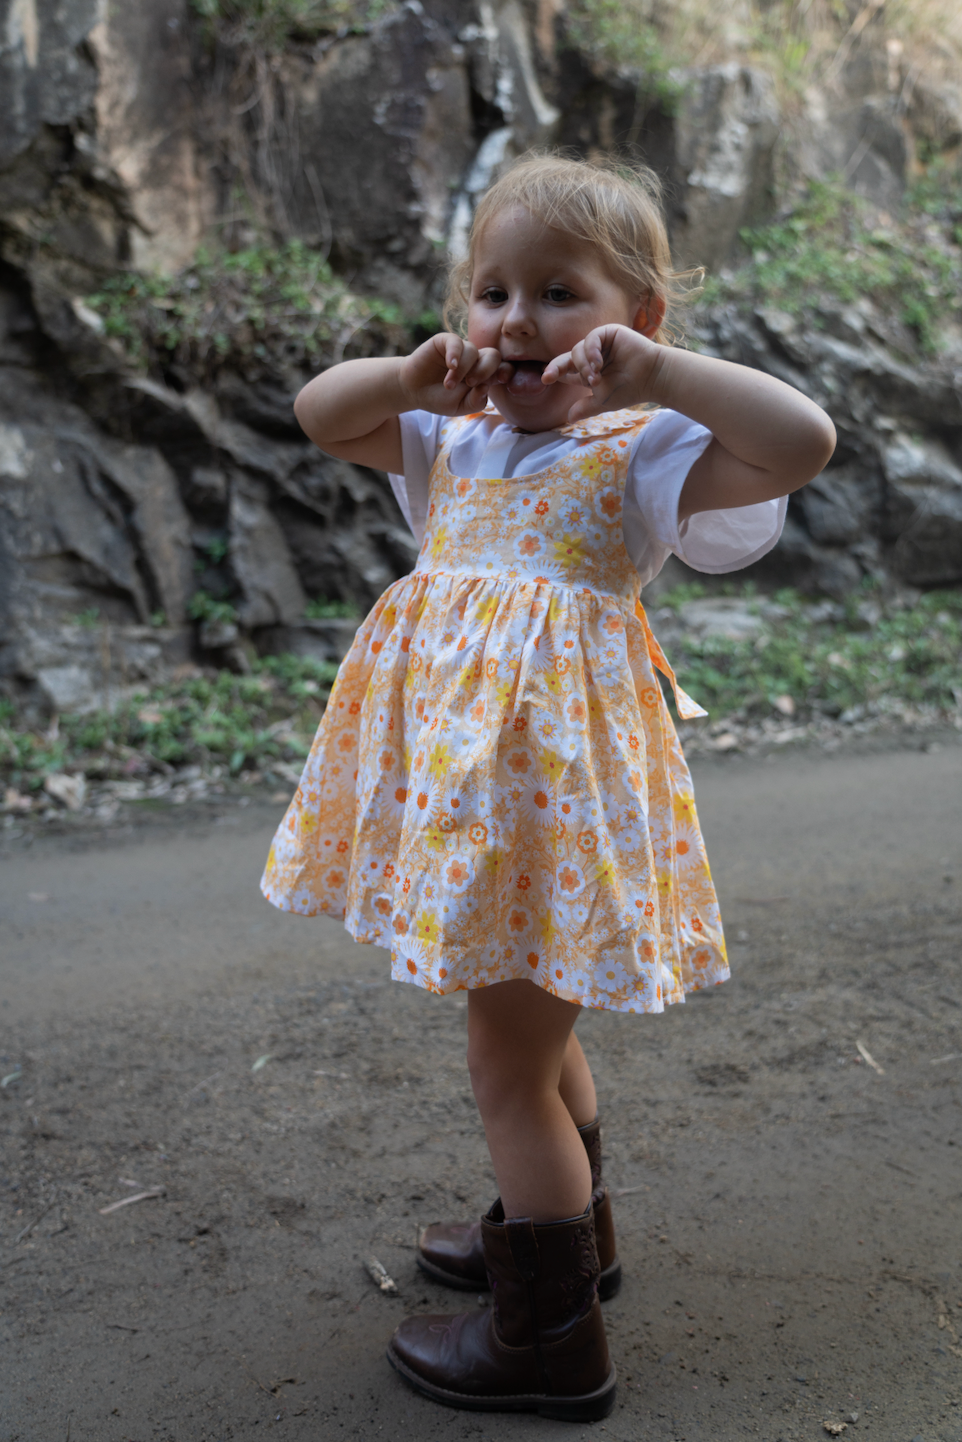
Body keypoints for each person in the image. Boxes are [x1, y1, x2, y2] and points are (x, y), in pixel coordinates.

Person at [260, 153, 835, 1421]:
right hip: (472, 808)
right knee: (532, 1024)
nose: (515, 321)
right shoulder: (452, 437)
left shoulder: (644, 451)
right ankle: (571, 1231)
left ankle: (547, 1338)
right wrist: (407, 376)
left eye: (559, 293)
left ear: (636, 321)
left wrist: (660, 378)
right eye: (491, 293)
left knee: (506, 1063)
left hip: (553, 814)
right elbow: (318, 412)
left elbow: (801, 441)